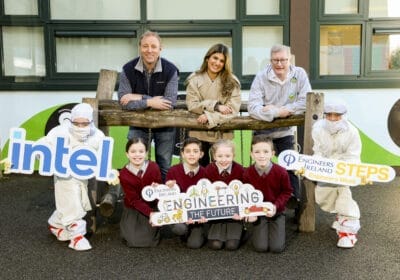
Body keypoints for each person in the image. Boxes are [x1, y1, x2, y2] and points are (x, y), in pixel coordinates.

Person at [247, 44, 312, 208]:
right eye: (276, 60)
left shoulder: (300, 74)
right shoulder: (261, 77)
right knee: (260, 167)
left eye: (283, 60)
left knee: (290, 166)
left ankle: (293, 201)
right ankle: (258, 202)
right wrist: (277, 113)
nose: (280, 64)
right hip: (262, 132)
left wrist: (279, 109)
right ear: (270, 60)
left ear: (289, 59)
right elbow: (253, 108)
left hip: (285, 131)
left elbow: (306, 101)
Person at [118, 30, 179, 181]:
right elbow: (124, 103)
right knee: (136, 162)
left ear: (160, 49)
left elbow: (169, 102)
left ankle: (163, 200)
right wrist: (150, 101)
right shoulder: (127, 69)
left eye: (153, 46)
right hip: (137, 124)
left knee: (164, 164)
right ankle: (138, 196)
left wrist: (135, 97)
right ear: (139, 47)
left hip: (164, 124)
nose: (149, 50)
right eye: (145, 46)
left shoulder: (171, 70)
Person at [46, 103, 105, 251]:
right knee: (70, 198)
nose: (80, 127)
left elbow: (102, 158)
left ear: (90, 122)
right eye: (76, 123)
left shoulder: (97, 136)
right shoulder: (59, 132)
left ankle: (56, 223)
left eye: (84, 123)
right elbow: (44, 147)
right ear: (71, 121)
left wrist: (108, 172)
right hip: (63, 175)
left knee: (78, 199)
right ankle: (77, 236)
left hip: (82, 177)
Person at [312, 99, 361, 248]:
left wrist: (346, 171)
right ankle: (341, 216)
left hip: (344, 168)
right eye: (329, 115)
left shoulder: (352, 132)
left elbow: (353, 155)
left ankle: (348, 230)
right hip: (325, 168)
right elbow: (317, 150)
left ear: (344, 115)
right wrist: (317, 166)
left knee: (344, 192)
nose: (333, 119)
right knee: (322, 195)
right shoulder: (318, 128)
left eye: (337, 115)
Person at [119, 137, 186, 247]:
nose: (137, 155)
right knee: (135, 242)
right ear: (127, 154)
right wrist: (150, 213)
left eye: (141, 151)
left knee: (179, 229)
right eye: (133, 151)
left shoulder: (153, 167)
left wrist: (160, 188)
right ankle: (140, 227)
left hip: (154, 205)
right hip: (134, 208)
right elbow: (134, 200)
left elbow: (160, 193)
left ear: (146, 153)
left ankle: (156, 227)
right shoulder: (124, 174)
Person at [186, 43, 241, 166]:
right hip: (198, 132)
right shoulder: (194, 79)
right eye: (215, 58)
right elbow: (192, 104)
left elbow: (232, 110)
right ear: (207, 58)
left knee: (221, 170)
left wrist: (209, 116)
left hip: (222, 133)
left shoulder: (232, 81)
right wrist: (215, 106)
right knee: (200, 170)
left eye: (222, 60)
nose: (217, 63)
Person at [242, 135, 292, 253]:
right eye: (257, 152)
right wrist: (250, 211)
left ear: (272, 153)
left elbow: (287, 191)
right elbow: (245, 194)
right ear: (252, 154)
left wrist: (276, 207)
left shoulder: (281, 172)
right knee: (260, 247)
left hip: (276, 210)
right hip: (258, 212)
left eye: (265, 151)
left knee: (277, 248)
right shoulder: (247, 173)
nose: (261, 155)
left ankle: (278, 225)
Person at [165, 137, 207, 249]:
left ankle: (198, 230)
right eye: (188, 151)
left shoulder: (205, 173)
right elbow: (165, 198)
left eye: (195, 151)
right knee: (180, 229)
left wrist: (203, 214)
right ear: (182, 154)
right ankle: (184, 231)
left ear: (201, 154)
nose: (191, 154)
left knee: (194, 244)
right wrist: (166, 188)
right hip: (180, 213)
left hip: (197, 215)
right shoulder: (173, 171)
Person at [204, 139, 244, 250]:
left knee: (231, 246)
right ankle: (216, 230)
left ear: (233, 155)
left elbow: (246, 192)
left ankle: (241, 231)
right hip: (216, 214)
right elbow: (203, 193)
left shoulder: (240, 170)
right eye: (220, 156)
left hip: (234, 214)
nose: (224, 160)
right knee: (215, 245)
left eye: (227, 156)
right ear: (214, 156)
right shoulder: (208, 170)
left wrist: (242, 212)